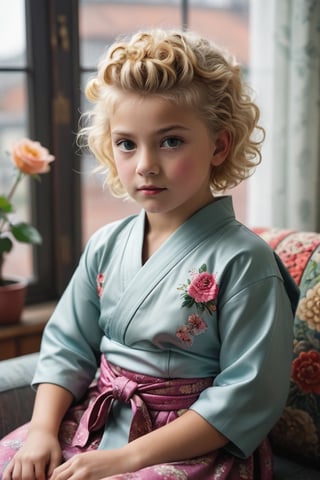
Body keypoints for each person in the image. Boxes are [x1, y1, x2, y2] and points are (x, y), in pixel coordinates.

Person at [0, 28, 299, 480]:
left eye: (171, 141)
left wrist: (126, 458)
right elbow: (67, 346)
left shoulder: (244, 261)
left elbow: (248, 393)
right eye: (127, 143)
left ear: (219, 145)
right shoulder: (106, 244)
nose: (145, 165)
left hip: (191, 445)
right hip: (98, 423)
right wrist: (42, 429)